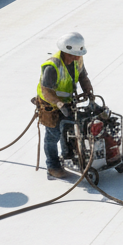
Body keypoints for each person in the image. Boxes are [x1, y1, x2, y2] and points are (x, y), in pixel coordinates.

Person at [36, 32, 95, 178]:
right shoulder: (52, 66)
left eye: (78, 54)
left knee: (68, 130)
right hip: (50, 104)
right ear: (65, 51)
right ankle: (52, 166)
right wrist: (59, 103)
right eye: (74, 54)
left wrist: (89, 92)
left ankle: (67, 157)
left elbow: (83, 76)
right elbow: (46, 90)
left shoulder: (78, 59)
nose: (77, 57)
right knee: (53, 135)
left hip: (66, 102)